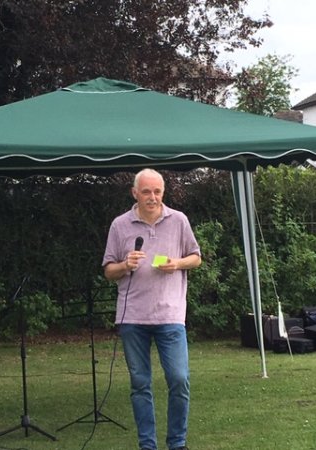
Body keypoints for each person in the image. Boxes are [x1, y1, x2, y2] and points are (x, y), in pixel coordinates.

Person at [102, 168, 201, 450]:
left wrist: (177, 263)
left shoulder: (178, 220)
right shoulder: (120, 225)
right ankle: (147, 444)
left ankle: (177, 443)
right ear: (134, 193)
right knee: (140, 383)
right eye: (146, 192)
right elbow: (108, 270)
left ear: (163, 192)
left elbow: (196, 257)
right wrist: (125, 265)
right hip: (133, 317)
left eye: (157, 191)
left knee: (179, 379)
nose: (152, 197)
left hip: (170, 315)